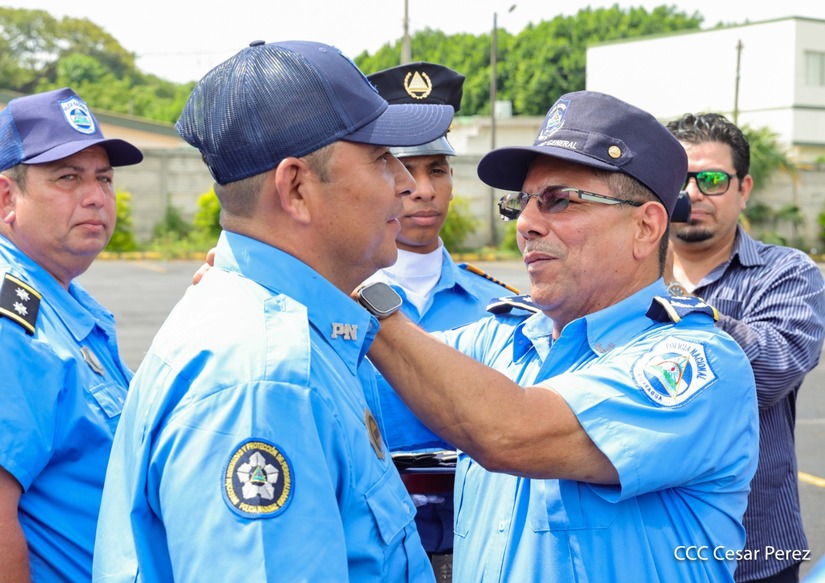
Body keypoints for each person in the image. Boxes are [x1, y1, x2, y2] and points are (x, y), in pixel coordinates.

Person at [92, 40, 453, 582]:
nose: (406, 184)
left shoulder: (287, 333)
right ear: (297, 188)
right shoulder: (265, 380)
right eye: (382, 158)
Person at [363, 90, 760, 582]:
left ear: (645, 226)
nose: (526, 225)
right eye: (523, 203)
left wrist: (362, 296)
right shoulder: (506, 340)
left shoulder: (697, 363)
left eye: (559, 201)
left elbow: (509, 432)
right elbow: (362, 370)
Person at [364, 61, 524, 574]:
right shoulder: (332, 302)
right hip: (371, 550)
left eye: (438, 169)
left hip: (478, 549)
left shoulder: (498, 306)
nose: (423, 190)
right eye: (404, 170)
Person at [665, 112, 825, 583]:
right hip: (642, 546)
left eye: (712, 179)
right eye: (679, 179)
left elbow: (772, 369)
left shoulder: (786, 274)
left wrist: (667, 301)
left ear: (744, 188)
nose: (693, 194)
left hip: (754, 550)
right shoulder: (619, 273)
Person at [0, 87, 143, 581]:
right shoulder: (9, 324)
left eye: (103, 178)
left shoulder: (66, 297)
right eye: (67, 177)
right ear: (6, 198)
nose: (95, 196)